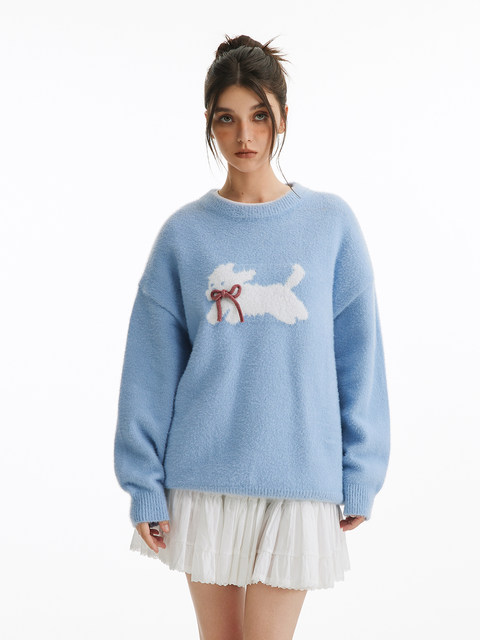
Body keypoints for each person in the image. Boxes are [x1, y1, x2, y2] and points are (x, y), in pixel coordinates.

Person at [113, 33, 390, 640]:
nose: (245, 135)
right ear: (209, 124)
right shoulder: (184, 235)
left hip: (300, 477)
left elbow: (360, 360)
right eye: (228, 118)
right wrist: (143, 484)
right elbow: (150, 371)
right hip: (204, 475)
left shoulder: (331, 224)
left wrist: (360, 472)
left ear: (283, 118)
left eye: (259, 116)